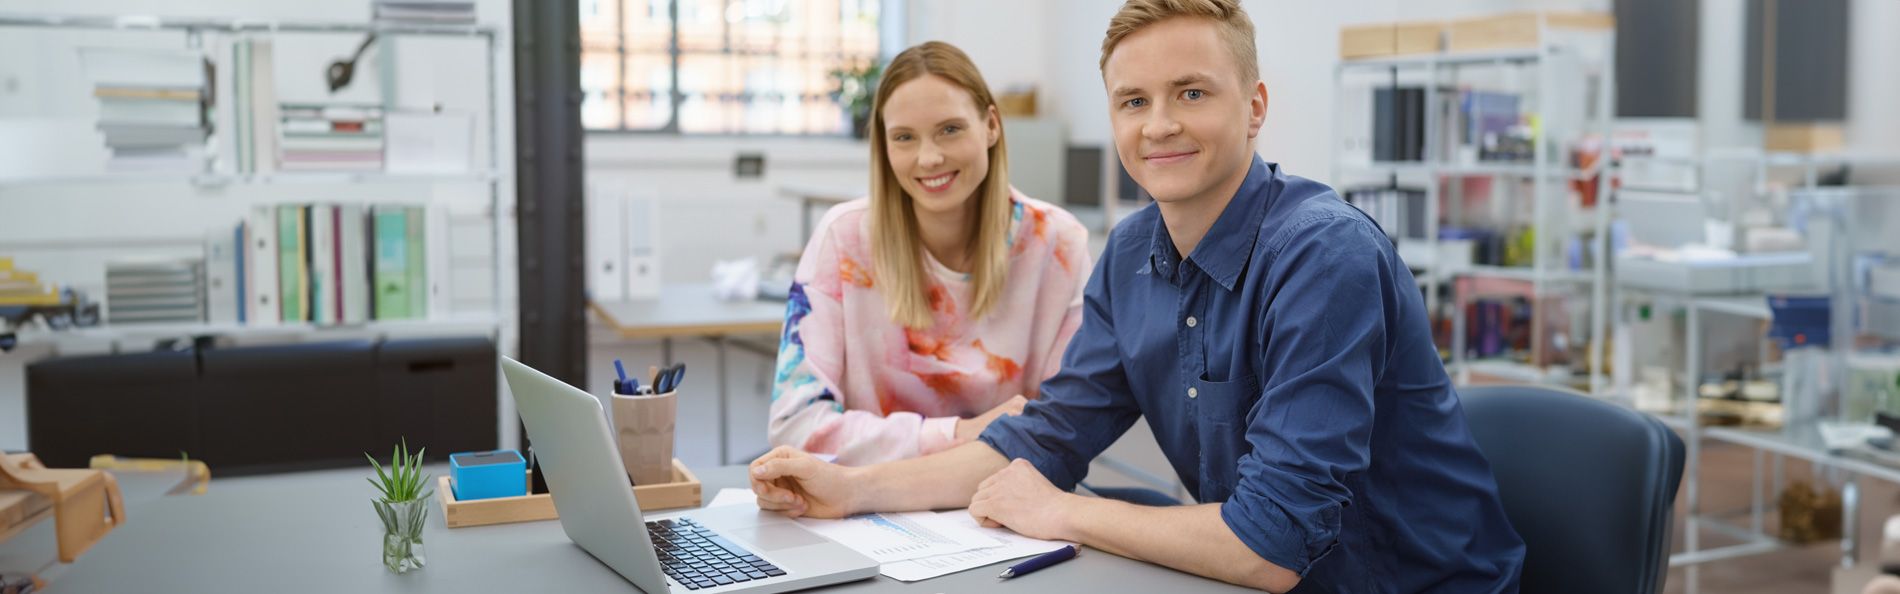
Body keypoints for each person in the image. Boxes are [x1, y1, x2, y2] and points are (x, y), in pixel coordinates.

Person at [748, 1, 1526, 592]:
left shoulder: (1324, 257)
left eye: (1191, 93)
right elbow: (1045, 439)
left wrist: (1060, 511)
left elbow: (1272, 544)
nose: (1159, 126)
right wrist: (849, 491)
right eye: (1133, 101)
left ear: (1254, 107)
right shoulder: (1130, 253)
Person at [767, 41, 1092, 466]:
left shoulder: (1058, 243)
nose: (929, 157)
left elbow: (1061, 432)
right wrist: (957, 433)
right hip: (866, 510)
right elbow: (795, 426)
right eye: (904, 137)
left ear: (991, 125)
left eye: (950, 129)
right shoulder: (844, 238)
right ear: (884, 146)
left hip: (1003, 509)